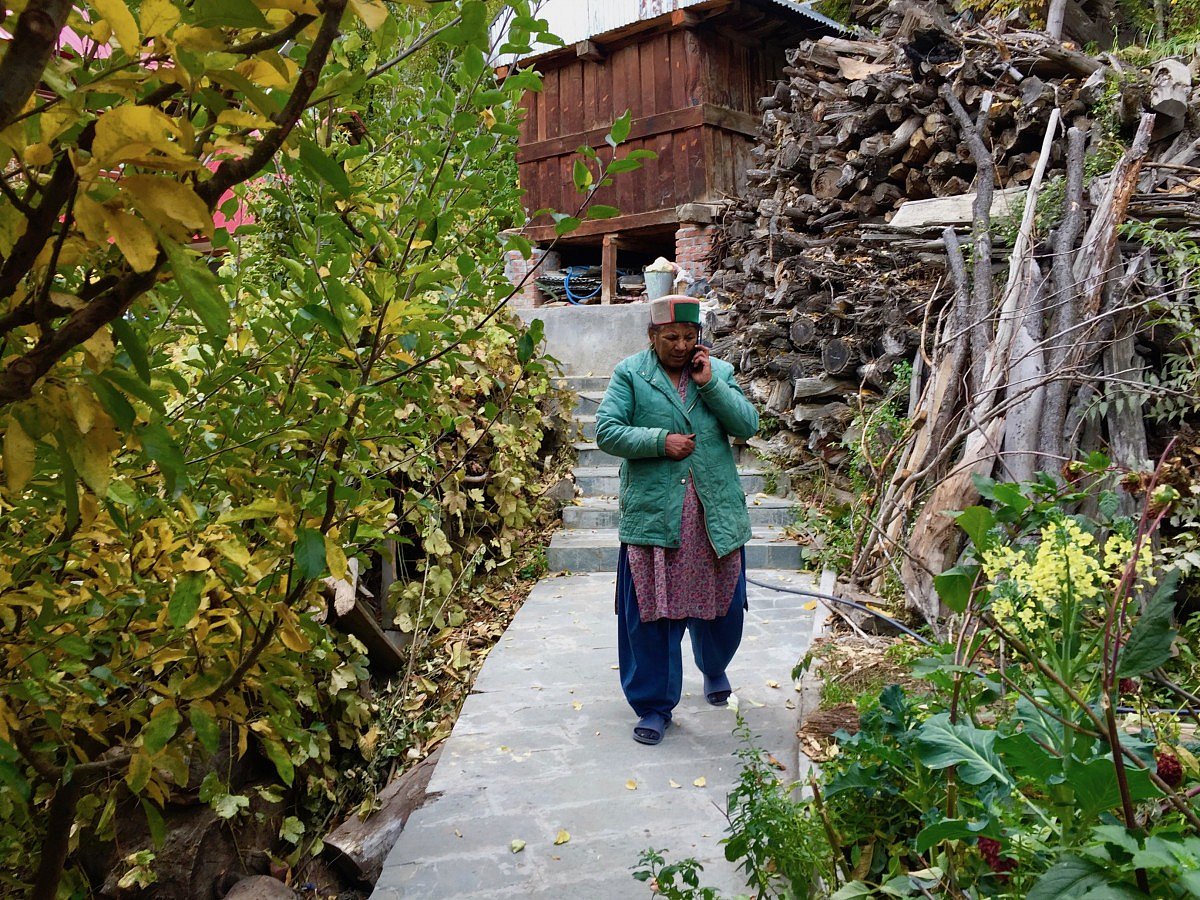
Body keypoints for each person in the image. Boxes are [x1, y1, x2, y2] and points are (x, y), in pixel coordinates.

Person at [594, 295, 760, 745]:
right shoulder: (632, 373)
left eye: (689, 337)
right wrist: (658, 441)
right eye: (671, 338)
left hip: (713, 516)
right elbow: (605, 430)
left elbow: (748, 425)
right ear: (652, 336)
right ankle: (652, 706)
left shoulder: (718, 372)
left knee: (723, 607)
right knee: (652, 613)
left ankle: (714, 666)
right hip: (656, 516)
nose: (681, 346)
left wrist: (710, 386)